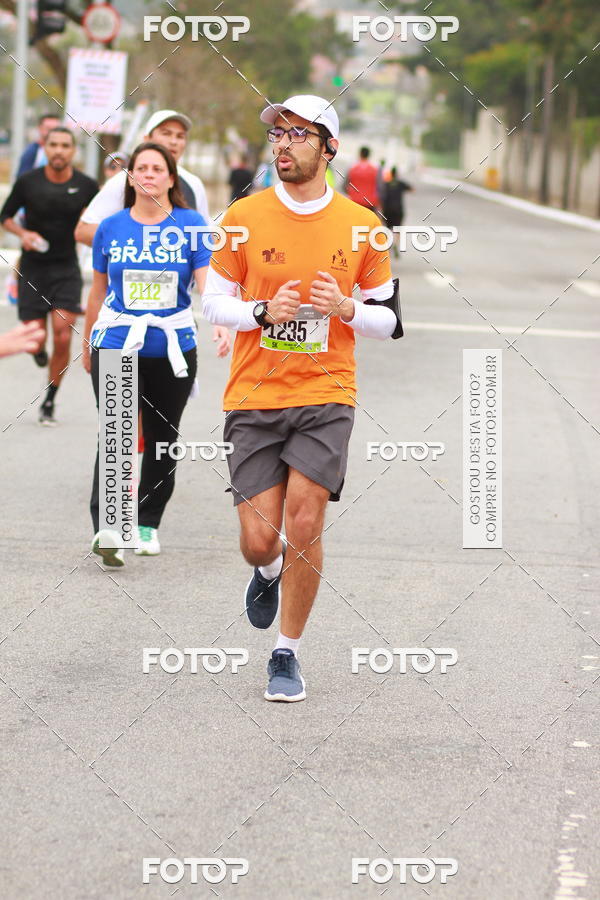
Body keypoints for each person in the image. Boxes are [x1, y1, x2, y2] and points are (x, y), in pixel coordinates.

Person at [202, 95, 401, 702]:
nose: (283, 144)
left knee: (306, 518)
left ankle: (286, 652)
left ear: (328, 148)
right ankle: (266, 571)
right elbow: (212, 303)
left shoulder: (363, 226)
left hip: (326, 393)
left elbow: (389, 321)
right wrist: (262, 312)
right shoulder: (243, 216)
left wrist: (348, 309)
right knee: (261, 538)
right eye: (278, 135)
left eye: (298, 135)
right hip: (255, 395)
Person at [83, 142, 230, 565]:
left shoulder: (191, 224)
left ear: (170, 178)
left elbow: (208, 285)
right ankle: (109, 529)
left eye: (156, 168)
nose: (147, 174)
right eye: (140, 168)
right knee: (116, 435)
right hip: (115, 343)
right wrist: (87, 337)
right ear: (130, 178)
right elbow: (97, 291)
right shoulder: (111, 227)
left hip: (172, 348)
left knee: (162, 441)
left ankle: (146, 523)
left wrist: (219, 322)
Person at [0, 126, 98, 425]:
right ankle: (39, 351)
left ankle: (50, 400)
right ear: (45, 147)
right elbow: (4, 216)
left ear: (73, 151)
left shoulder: (87, 186)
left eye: (65, 145)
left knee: (63, 331)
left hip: (66, 267)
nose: (59, 150)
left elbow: (101, 220)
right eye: (53, 144)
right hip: (33, 267)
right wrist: (23, 233)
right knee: (36, 335)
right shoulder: (28, 182)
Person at [75, 110, 211, 247]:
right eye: (166, 133)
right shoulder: (124, 180)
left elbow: (205, 237)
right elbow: (84, 231)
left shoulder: (194, 184)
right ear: (147, 139)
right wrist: (136, 243)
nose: (173, 141)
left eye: (180, 136)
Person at [382, 167, 413, 258]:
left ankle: (388, 245)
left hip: (387, 209)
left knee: (387, 229)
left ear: (391, 174)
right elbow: (412, 189)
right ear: (397, 174)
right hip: (398, 209)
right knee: (398, 229)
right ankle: (396, 243)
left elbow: (381, 194)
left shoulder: (386, 184)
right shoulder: (400, 183)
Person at [344, 145, 380, 212]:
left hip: (354, 202)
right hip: (369, 203)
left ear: (360, 154)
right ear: (369, 155)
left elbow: (344, 185)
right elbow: (380, 188)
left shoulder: (352, 167)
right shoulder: (375, 169)